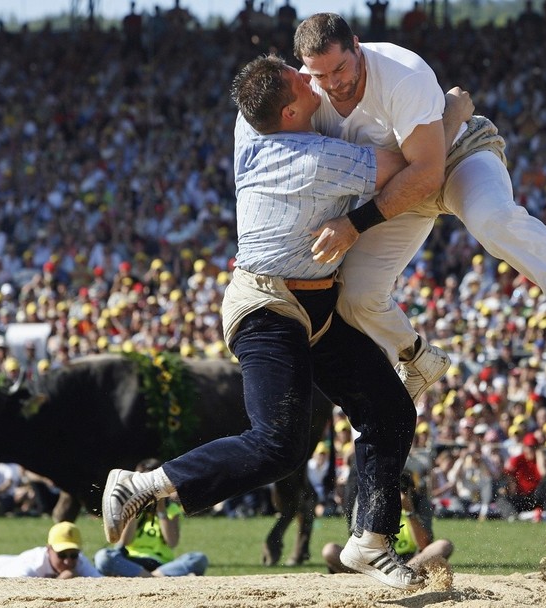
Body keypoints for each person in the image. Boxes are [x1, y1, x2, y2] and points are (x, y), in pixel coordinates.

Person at [101, 54, 472, 591]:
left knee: (389, 407)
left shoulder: (249, 125)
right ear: (294, 109)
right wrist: (452, 114)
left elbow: (270, 87)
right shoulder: (316, 158)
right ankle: (142, 485)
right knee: (277, 446)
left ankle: (370, 542)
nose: (310, 73)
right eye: (303, 78)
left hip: (310, 307)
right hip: (267, 308)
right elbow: (414, 166)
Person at [291, 13, 546, 404]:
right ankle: (417, 358)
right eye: (320, 75)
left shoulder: (400, 71)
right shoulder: (307, 95)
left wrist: (355, 224)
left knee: (492, 219)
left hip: (458, 157)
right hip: (398, 188)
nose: (333, 83)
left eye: (340, 68)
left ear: (356, 46)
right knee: (356, 295)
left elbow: (427, 174)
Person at [322, 470, 453, 574]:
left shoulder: (419, 501)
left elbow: (424, 544)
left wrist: (409, 511)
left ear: (411, 490)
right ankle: (382, 574)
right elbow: (358, 540)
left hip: (411, 560)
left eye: (402, 489)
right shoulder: (370, 498)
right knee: (330, 550)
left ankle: (404, 573)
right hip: (374, 562)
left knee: (444, 545)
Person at [95, 458, 209, 577]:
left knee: (198, 558)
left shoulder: (171, 510)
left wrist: (161, 509)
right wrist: (134, 508)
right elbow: (124, 542)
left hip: (161, 564)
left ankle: (148, 576)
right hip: (131, 561)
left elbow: (172, 542)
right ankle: (153, 577)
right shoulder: (133, 508)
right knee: (103, 556)